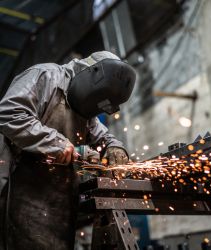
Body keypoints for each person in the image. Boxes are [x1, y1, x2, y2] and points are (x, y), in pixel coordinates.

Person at [0, 51, 136, 250]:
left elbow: (103, 135)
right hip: (20, 192)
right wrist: (56, 143)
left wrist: (115, 147)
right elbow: (9, 113)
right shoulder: (45, 77)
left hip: (60, 205)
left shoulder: (85, 110)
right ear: (91, 74)